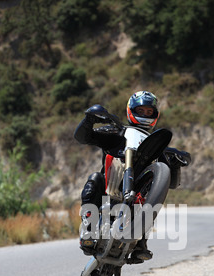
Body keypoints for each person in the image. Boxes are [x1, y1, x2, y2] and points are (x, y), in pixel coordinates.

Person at [74, 90, 190, 258]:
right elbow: (83, 137)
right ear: (131, 110)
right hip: (108, 191)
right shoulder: (116, 133)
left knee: (153, 198)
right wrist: (88, 120)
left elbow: (171, 184)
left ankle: (141, 242)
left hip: (138, 195)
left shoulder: (157, 147)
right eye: (140, 110)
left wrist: (176, 164)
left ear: (155, 114)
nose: (145, 114)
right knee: (94, 178)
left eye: (149, 111)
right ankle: (88, 230)